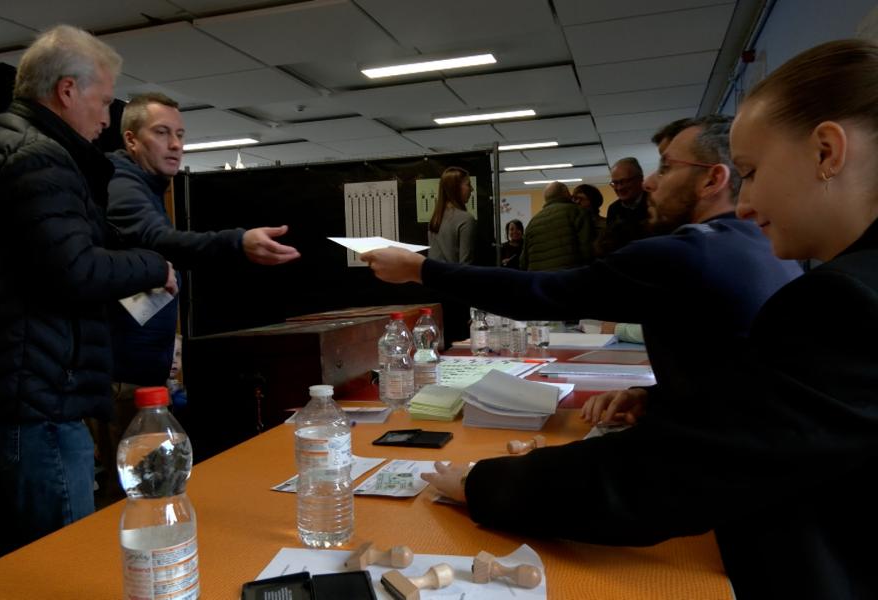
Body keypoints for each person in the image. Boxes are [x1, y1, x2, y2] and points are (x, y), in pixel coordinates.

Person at [389, 40, 878, 599]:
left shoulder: (844, 299)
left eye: (754, 172)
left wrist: (484, 484)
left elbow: (672, 475)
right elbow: (785, 406)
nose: (747, 203)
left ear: (826, 152)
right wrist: (679, 402)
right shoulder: (804, 268)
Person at [362, 113, 801, 450]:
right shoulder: (762, 245)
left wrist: (418, 269)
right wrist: (655, 398)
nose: (650, 182)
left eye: (666, 168)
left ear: (713, 179)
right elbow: (730, 376)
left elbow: (539, 293)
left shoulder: (687, 253)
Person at [0, 25, 175, 558]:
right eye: (104, 101)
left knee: (17, 565)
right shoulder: (40, 157)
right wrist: (152, 266)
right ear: (67, 91)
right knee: (57, 566)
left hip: (6, 400)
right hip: (35, 405)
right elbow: (75, 270)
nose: (106, 118)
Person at [101, 92, 300, 491]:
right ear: (131, 140)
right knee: (138, 494)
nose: (176, 144)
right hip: (122, 377)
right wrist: (237, 242)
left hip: (140, 373)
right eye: (162, 133)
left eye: (180, 134)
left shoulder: (146, 184)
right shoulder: (121, 183)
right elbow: (158, 239)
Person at [518, 181, 594, 271]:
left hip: (540, 280)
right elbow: (587, 249)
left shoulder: (532, 222)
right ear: (565, 192)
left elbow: (523, 262)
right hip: (568, 276)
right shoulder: (576, 212)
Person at [427, 166, 477, 264]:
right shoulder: (466, 219)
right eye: (468, 184)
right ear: (455, 188)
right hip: (455, 278)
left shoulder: (435, 219)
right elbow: (466, 265)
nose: (472, 189)